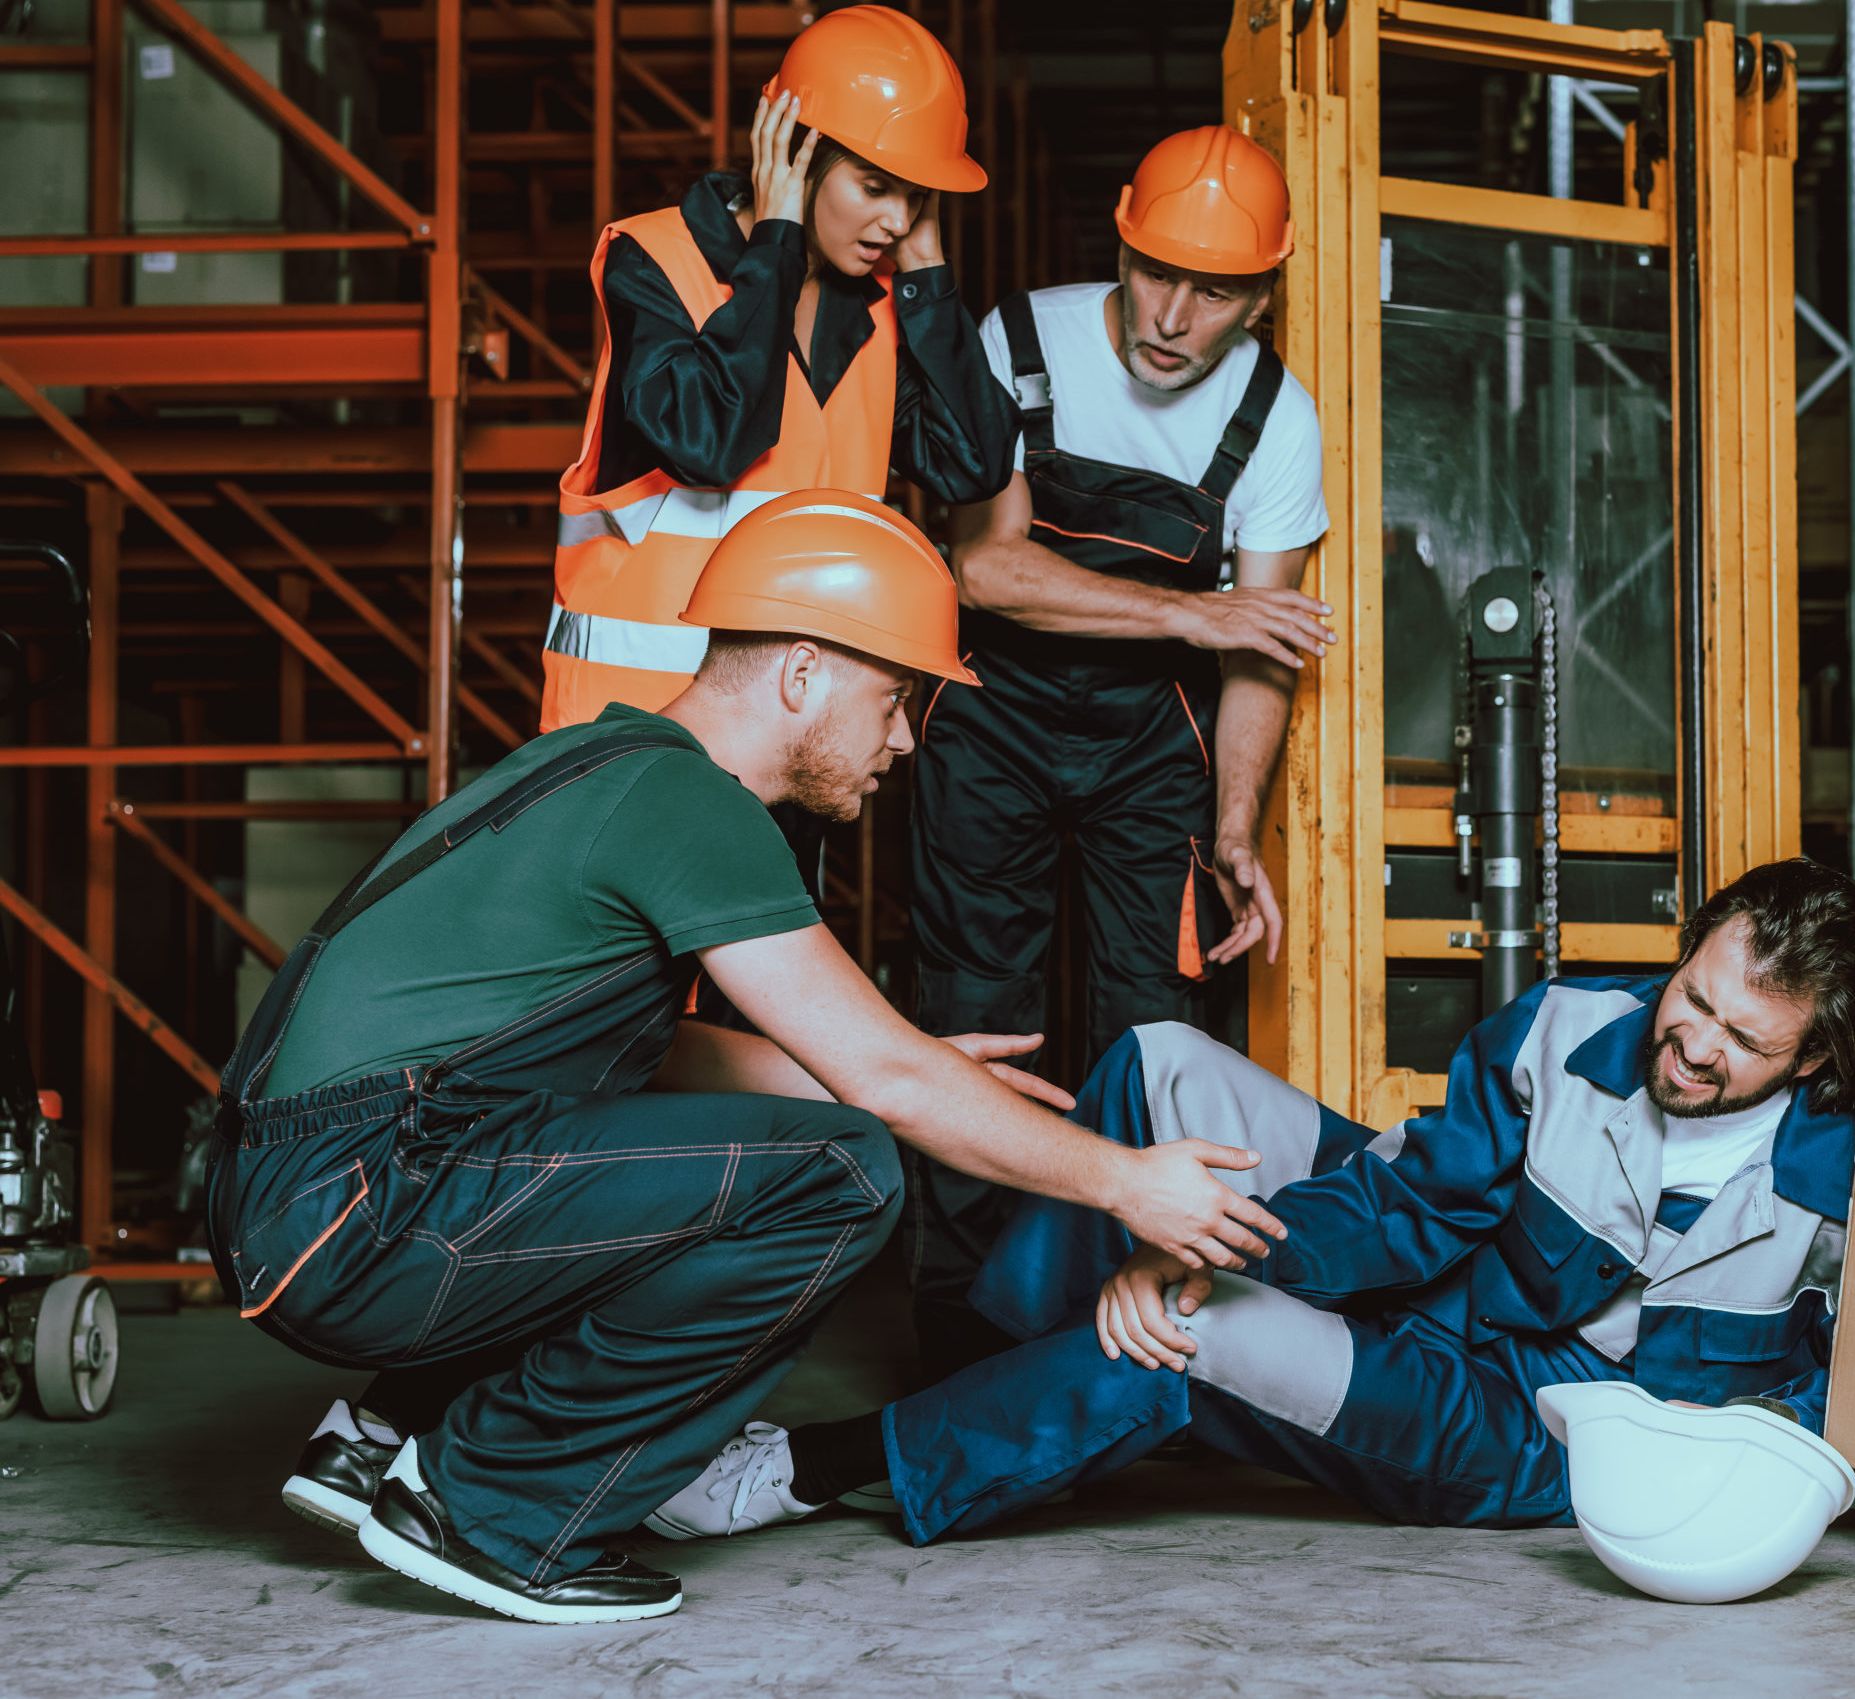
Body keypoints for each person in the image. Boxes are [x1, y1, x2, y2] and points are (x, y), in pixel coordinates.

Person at [208, 491, 1286, 1625]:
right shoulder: (691, 804)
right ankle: (486, 1505)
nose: (906, 740)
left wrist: (912, 1067)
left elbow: (651, 1052)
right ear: (804, 672)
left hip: (308, 1193)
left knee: (769, 1132)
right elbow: (887, 1090)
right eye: (897, 699)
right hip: (357, 1204)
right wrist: (1124, 1177)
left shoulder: (608, 765)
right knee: (842, 1168)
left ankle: (391, 1436)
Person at [648, 858, 1855, 1546]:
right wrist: (1189, 1229)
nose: (1687, 1044)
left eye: (1738, 1042)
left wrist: (1188, 1272)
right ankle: (1016, 1381)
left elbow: (1835, 1390)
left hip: (1525, 1429)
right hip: (1437, 1286)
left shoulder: (1845, 1191)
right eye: (1690, 995)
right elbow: (1415, 1202)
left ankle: (823, 1464)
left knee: (1194, 1330)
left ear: (1811, 1059)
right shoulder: (1573, 1026)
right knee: (1160, 1060)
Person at [901, 125, 1334, 1379]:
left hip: (1157, 747)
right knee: (982, 1016)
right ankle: (959, 1335)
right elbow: (983, 566)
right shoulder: (1016, 342)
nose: (1171, 314)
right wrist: (1192, 611)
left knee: (1156, 1031)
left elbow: (1262, 653)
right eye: (1154, 271)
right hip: (988, 720)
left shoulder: (1277, 418)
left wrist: (1235, 827)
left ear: (1261, 292)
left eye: (1213, 290)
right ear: (1123, 241)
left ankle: (1127, 1326)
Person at [545, 3, 1015, 731]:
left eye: (916, 197)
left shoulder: (884, 309)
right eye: (875, 185)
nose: (898, 220)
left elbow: (973, 466)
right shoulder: (655, 261)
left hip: (795, 735)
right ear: (795, 152)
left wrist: (928, 270)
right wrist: (779, 237)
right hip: (634, 731)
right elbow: (712, 442)